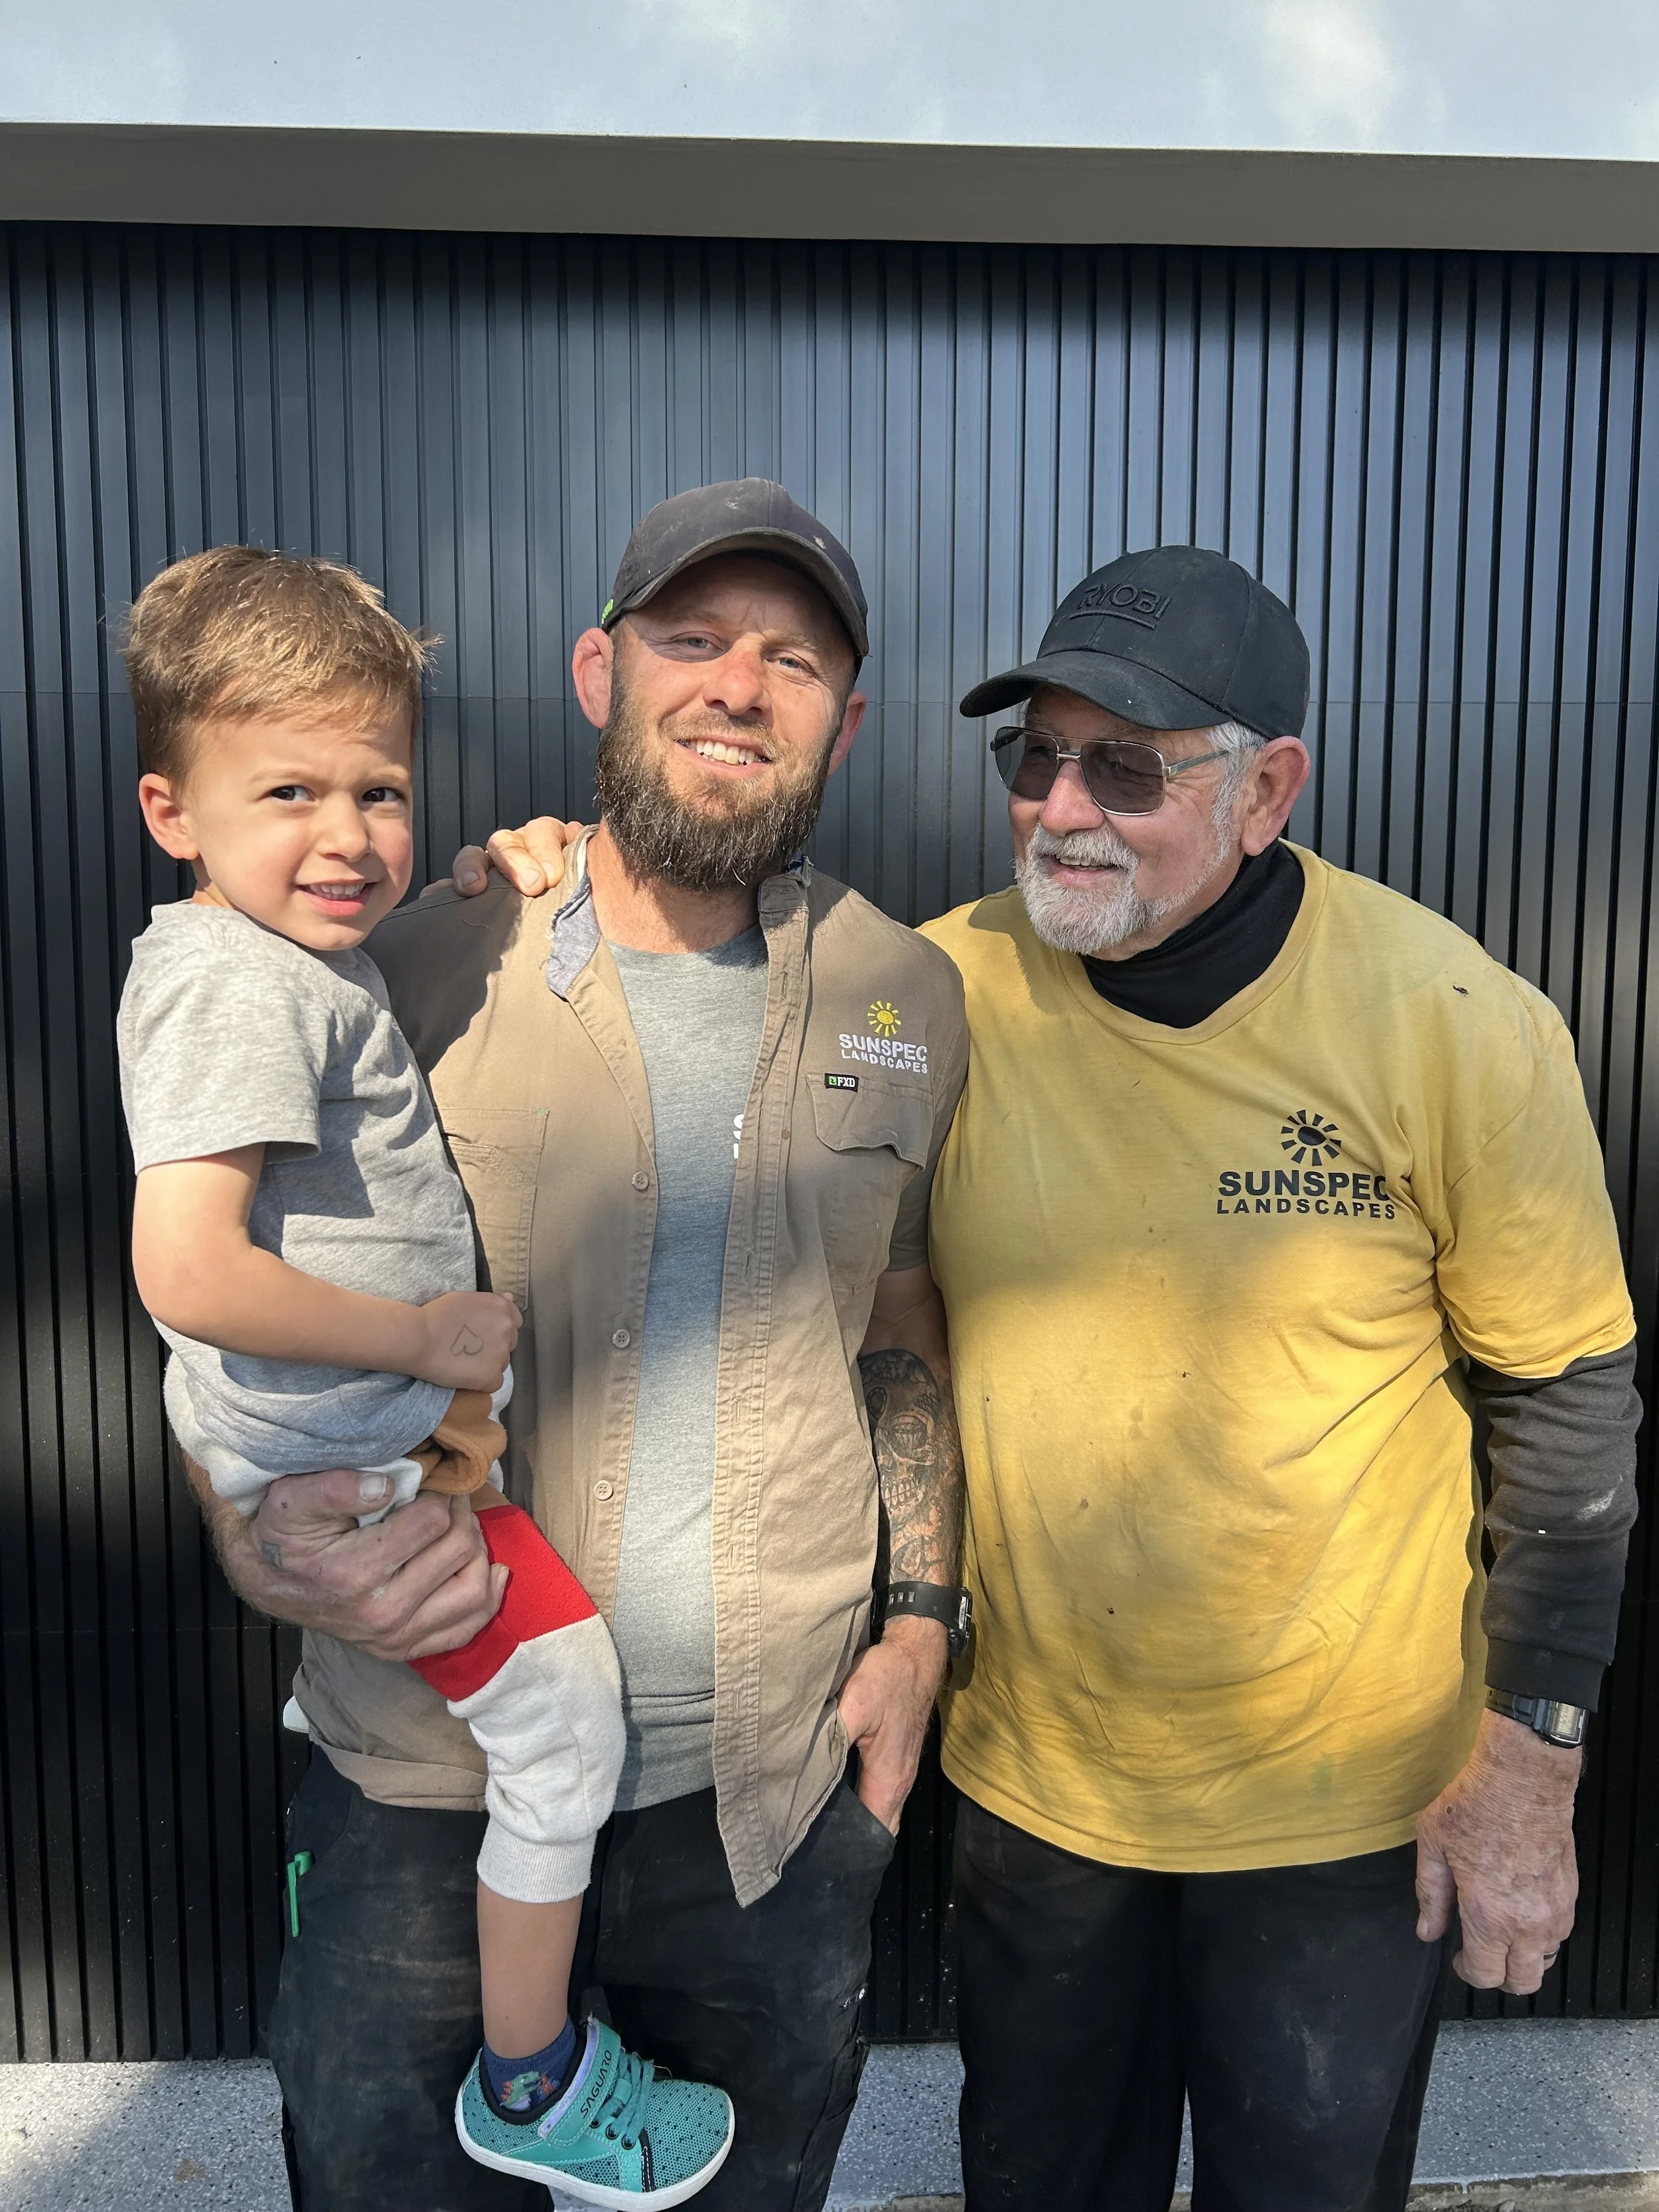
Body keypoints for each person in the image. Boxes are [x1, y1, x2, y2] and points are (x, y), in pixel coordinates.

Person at [472, 543, 1640, 2212]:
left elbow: (1568, 1405)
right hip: (1042, 1786)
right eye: (1034, 759)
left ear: (1266, 791)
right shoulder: (933, 996)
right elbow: (874, 1300)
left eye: (1126, 766)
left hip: (1343, 1809)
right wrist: (533, 877)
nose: (1060, 810)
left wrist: (1530, 1763)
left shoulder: (1456, 1021)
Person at [177, 482, 971, 2212]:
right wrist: (259, 1534)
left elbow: (897, 1309)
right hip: (422, 1783)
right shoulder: (414, 957)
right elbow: (220, 1284)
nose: (738, 686)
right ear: (597, 672)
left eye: (793, 658)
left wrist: (919, 1627)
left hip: (763, 1791)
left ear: (850, 716)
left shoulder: (907, 995)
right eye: (691, 639)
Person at [117, 546, 733, 2205]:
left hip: (382, 1448)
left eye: (379, 788)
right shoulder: (237, 982)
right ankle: (532, 2078)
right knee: (567, 1720)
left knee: (551, 1707)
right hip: (369, 1470)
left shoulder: (306, 961)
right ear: (172, 810)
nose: (347, 835)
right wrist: (425, 1340)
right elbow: (185, 1266)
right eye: (289, 790)